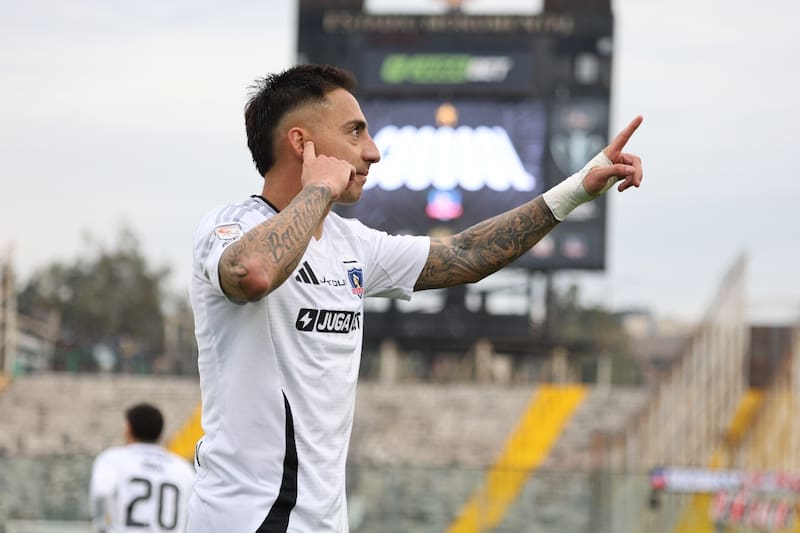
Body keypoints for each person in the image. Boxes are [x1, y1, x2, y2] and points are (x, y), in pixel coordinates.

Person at [187, 64, 643, 533]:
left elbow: (468, 254)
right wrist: (320, 186)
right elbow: (254, 272)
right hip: (248, 520)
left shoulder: (353, 244)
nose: (374, 152)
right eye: (355, 132)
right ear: (302, 145)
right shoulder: (229, 227)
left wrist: (576, 188)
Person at [89, 403, 195, 533]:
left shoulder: (112, 459)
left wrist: (101, 526)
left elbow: (102, 492)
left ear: (129, 429)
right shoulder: (183, 468)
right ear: (160, 432)